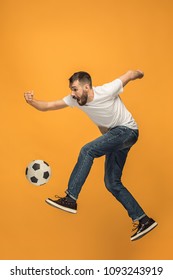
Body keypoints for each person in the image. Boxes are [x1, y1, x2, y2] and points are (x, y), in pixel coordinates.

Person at [24, 69, 158, 241]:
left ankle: (70, 198)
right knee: (111, 183)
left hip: (126, 131)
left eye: (75, 89)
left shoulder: (107, 90)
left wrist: (141, 73)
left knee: (87, 150)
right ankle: (143, 219)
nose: (72, 93)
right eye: (71, 90)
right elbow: (49, 106)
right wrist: (32, 102)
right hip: (116, 138)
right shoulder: (76, 100)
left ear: (86, 87)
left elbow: (130, 74)